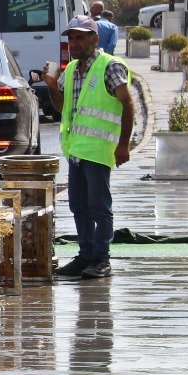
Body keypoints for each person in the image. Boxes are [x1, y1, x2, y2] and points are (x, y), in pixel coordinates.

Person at [44, 16, 133, 280]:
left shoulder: (110, 66)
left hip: (98, 150)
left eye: (80, 37)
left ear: (95, 39)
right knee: (78, 206)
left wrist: (123, 145)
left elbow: (127, 104)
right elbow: (63, 108)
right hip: (76, 151)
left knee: (99, 206)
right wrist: (51, 86)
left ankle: (101, 258)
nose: (74, 43)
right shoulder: (71, 69)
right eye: (70, 38)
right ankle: (86, 255)